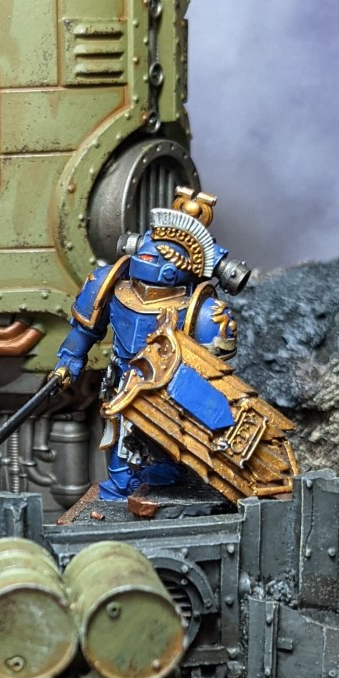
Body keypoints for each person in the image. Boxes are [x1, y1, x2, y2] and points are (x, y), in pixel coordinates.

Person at [52, 188, 247, 500]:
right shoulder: (108, 283)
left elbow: (213, 378)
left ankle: (164, 494)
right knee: (119, 455)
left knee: (165, 464)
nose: (149, 254)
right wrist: (68, 362)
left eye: (161, 251)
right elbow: (84, 332)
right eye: (150, 245)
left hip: (169, 395)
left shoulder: (204, 311)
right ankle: (121, 494)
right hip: (122, 384)